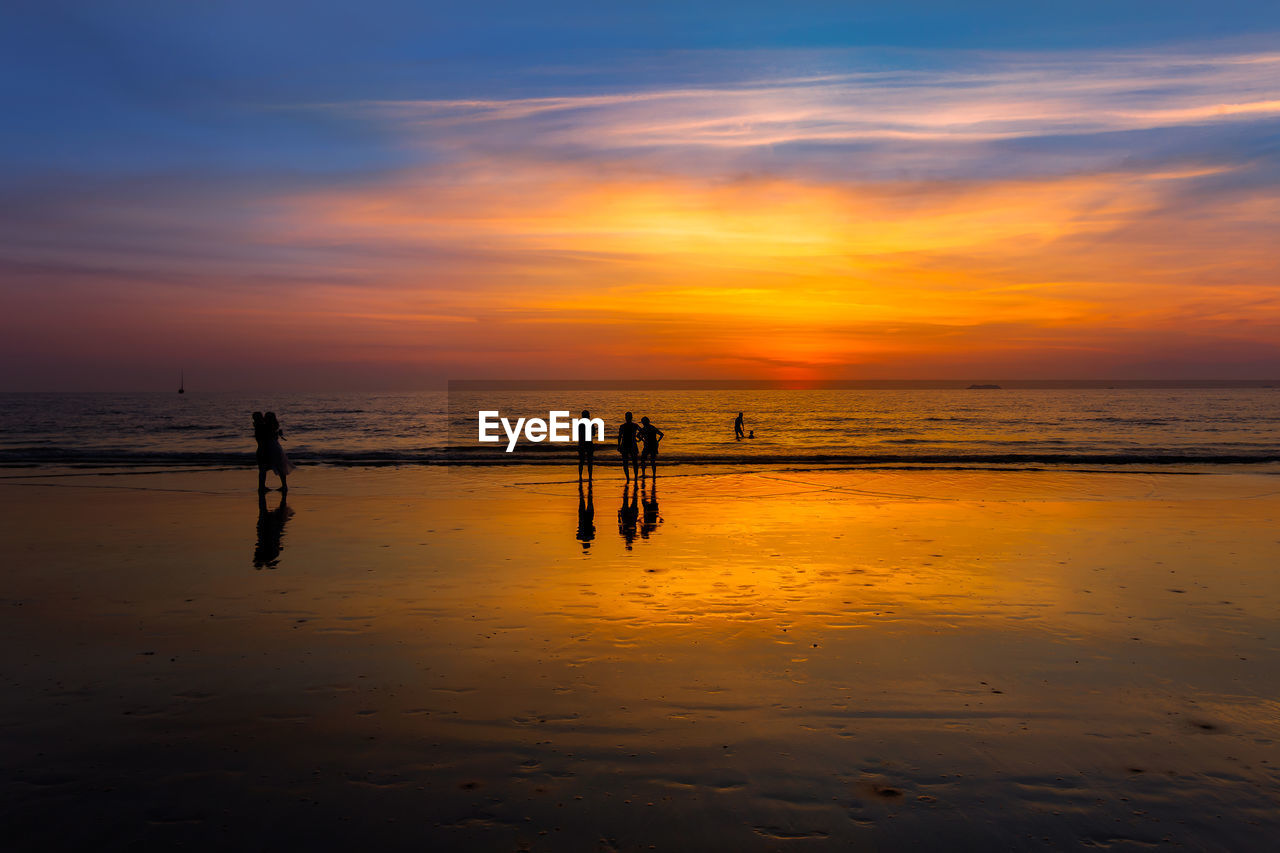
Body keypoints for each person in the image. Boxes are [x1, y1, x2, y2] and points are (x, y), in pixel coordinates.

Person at [263, 411, 295, 492]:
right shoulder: (274, 427)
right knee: (280, 467)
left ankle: (283, 486)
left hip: (272, 448)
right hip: (276, 447)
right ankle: (284, 485)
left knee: (266, 468)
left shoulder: (267, 427)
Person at [617, 411, 641, 481]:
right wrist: (638, 437)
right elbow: (642, 431)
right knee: (634, 462)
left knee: (625, 462)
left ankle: (628, 478)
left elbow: (619, 437)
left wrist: (618, 445)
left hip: (625, 444)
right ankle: (635, 477)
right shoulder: (635, 425)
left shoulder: (622, 426)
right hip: (632, 444)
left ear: (625, 418)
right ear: (631, 418)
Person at [252, 412, 272, 492]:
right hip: (262, 451)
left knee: (262, 470)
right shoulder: (261, 427)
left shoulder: (258, 427)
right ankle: (261, 487)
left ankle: (262, 486)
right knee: (263, 471)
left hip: (260, 451)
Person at [576, 408, 595, 481]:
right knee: (589, 461)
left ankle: (580, 476)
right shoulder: (591, 424)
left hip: (581, 444)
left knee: (581, 461)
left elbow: (579, 434)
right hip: (589, 443)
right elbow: (593, 434)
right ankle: (590, 476)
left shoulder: (579, 424)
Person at [576, 481, 595, 551]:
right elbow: (577, 536)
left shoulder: (591, 537)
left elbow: (593, 529)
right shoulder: (581, 537)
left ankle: (586, 484)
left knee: (588, 500)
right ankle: (585, 485)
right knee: (582, 500)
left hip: (587, 518)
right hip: (584, 518)